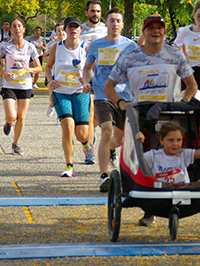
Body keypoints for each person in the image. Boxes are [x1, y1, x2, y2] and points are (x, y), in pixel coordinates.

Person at [104, 14, 198, 226]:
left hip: (167, 116)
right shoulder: (130, 57)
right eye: (151, 28)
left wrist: (184, 102)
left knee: (169, 157)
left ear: (164, 32)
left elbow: (192, 85)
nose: (156, 31)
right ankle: (150, 208)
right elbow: (108, 86)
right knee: (144, 160)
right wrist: (121, 104)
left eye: (159, 28)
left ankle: (173, 196)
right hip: (139, 117)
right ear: (144, 31)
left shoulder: (175, 55)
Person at [83, 7, 138, 192]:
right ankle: (103, 175)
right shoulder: (95, 45)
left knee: (119, 139)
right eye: (111, 20)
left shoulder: (130, 46)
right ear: (106, 24)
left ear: (122, 25)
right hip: (101, 94)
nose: (115, 24)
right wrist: (86, 81)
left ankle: (112, 149)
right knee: (106, 131)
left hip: (123, 96)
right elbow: (87, 67)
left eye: (118, 21)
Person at [45, 16, 94, 177]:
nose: (73, 30)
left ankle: (87, 145)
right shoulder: (56, 47)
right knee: (67, 127)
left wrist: (87, 80)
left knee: (82, 134)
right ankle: (69, 166)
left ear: (81, 30)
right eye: (70, 27)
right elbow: (49, 67)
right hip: (61, 93)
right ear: (64, 30)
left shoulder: (86, 47)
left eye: (76, 27)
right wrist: (50, 81)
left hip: (80, 93)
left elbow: (93, 70)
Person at [0, 18, 42, 155]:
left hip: (25, 85)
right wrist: (3, 73)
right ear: (12, 30)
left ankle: (15, 143)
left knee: (21, 117)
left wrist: (29, 70)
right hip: (9, 85)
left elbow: (38, 68)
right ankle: (8, 123)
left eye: (19, 26)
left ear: (24, 29)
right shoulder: (5, 46)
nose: (16, 28)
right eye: (14, 26)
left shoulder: (30, 47)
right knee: (12, 115)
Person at [135, 121, 200, 184]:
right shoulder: (153, 155)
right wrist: (138, 140)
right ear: (161, 140)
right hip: (160, 193)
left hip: (184, 191)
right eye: (170, 140)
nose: (175, 144)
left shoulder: (184, 153)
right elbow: (135, 160)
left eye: (179, 140)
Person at [80, 0, 108, 165]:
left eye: (98, 11)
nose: (95, 14)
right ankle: (89, 152)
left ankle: (93, 132)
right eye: (92, 11)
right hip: (86, 76)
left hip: (103, 78)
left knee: (98, 117)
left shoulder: (106, 29)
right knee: (89, 113)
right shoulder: (80, 29)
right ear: (86, 12)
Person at [44, 23, 66, 123]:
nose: (61, 32)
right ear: (55, 32)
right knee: (52, 93)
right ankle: (52, 105)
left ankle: (60, 116)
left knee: (62, 94)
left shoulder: (69, 43)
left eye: (63, 29)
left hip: (64, 73)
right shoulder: (51, 45)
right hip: (53, 72)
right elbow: (44, 57)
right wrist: (54, 59)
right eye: (59, 30)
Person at [0, 20, 12, 85]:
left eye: (7, 24)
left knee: (9, 65)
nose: (6, 25)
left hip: (9, 50)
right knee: (2, 63)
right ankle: (1, 77)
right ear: (3, 25)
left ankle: (8, 77)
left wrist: (11, 39)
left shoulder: (11, 33)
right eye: (5, 24)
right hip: (1, 50)